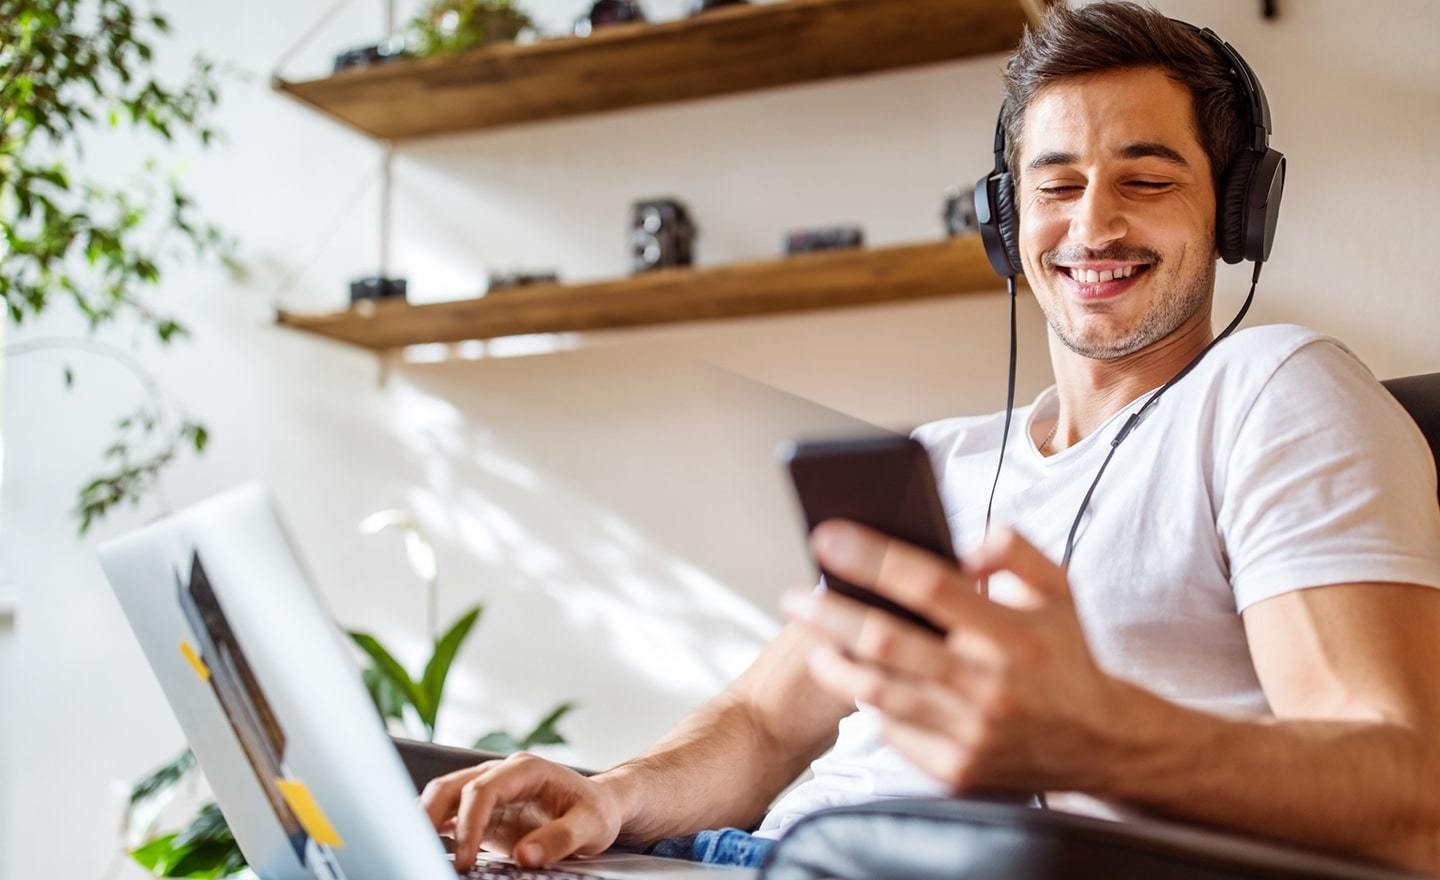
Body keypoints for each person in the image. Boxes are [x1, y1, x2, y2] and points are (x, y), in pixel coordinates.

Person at [421, 3, 1440, 875]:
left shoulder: (1273, 392)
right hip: (763, 854)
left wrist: (1106, 739)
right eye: (1055, 184)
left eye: (1148, 177)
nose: (1092, 225)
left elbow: (1409, 797)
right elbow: (769, 725)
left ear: (1236, 210)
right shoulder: (944, 458)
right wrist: (611, 795)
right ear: (1008, 222)